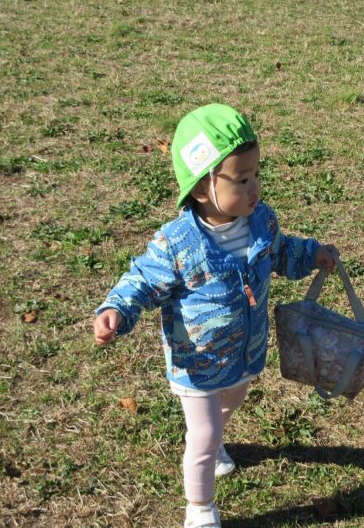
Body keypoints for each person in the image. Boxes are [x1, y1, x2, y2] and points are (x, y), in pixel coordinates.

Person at [93, 103, 338, 528]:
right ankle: (200, 508)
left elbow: (281, 252)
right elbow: (142, 279)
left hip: (243, 354)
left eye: (256, 174)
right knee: (203, 436)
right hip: (198, 363)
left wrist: (311, 253)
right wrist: (117, 309)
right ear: (203, 187)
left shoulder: (261, 222)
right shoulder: (177, 243)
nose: (254, 187)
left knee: (235, 399)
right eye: (242, 179)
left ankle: (213, 439)